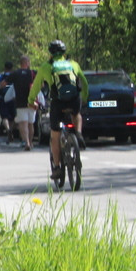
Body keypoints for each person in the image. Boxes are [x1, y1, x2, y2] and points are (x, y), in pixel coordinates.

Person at [28, 40, 89, 182]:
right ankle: (78, 134)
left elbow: (36, 87)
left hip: (58, 102)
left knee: (55, 136)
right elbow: (84, 82)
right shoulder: (73, 64)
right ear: (64, 52)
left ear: (50, 53)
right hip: (74, 99)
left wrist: (31, 101)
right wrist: (84, 97)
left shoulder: (46, 67)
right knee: (76, 113)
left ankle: (56, 167)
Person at [9, 55, 37, 151]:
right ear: (27, 62)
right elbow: (41, 84)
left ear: (20, 63)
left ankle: (27, 143)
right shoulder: (33, 73)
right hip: (32, 102)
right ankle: (31, 142)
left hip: (20, 103)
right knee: (31, 124)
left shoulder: (15, 73)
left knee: (23, 124)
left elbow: (5, 83)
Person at [0, 60, 17, 143]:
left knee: (5, 117)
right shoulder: (15, 76)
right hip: (13, 98)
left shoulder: (0, 76)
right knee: (13, 117)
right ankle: (11, 130)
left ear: (4, 68)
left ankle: (8, 130)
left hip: (2, 98)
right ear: (12, 68)